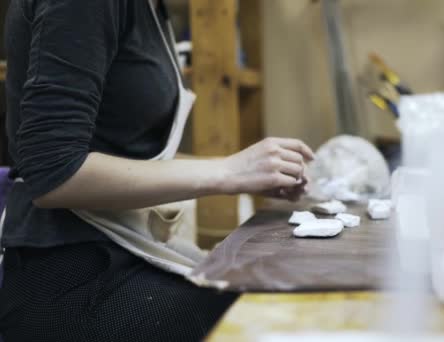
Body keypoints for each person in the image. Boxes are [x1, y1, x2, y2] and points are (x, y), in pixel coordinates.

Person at [0, 0, 314, 341]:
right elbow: (53, 173)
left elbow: (128, 153)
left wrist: (250, 173)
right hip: (70, 275)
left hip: (119, 249)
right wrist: (227, 172)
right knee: (270, 323)